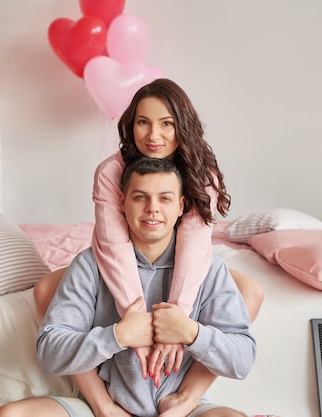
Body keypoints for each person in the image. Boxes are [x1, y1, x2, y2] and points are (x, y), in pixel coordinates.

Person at [34, 79, 264, 385]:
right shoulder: (111, 172)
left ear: (182, 126)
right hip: (128, 252)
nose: (153, 135)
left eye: (166, 124)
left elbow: (194, 244)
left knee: (251, 291)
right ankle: (97, 398)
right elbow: (113, 245)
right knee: (45, 290)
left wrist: (177, 322)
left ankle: (189, 393)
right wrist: (135, 325)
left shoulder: (201, 172)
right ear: (131, 126)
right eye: (143, 122)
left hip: (183, 253)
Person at [0, 157, 256, 417]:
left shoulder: (208, 268)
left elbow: (243, 359)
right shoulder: (90, 265)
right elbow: (50, 353)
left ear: (180, 206)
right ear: (122, 202)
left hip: (184, 409)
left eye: (165, 198)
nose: (152, 208)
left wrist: (192, 333)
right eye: (140, 197)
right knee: (10, 415)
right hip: (104, 406)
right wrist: (117, 336)